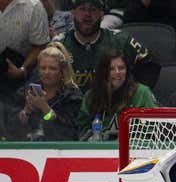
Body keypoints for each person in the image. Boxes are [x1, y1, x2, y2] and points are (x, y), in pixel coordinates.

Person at [53, 0, 160, 93]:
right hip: (72, 112)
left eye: (93, 10)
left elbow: (151, 65)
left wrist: (133, 93)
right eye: (82, 9)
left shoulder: (120, 40)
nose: (87, 15)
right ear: (73, 13)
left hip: (112, 110)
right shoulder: (59, 44)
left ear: (102, 14)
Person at [77, 48, 157, 140]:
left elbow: (153, 128)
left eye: (121, 68)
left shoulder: (142, 93)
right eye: (111, 69)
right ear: (103, 72)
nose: (117, 72)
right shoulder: (91, 96)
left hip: (133, 151)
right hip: (98, 152)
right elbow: (82, 129)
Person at [11, 42, 82, 141]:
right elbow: (12, 129)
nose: (47, 72)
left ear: (62, 71)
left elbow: (69, 133)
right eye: (43, 68)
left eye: (52, 68)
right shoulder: (26, 92)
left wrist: (45, 108)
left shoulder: (72, 95)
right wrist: (27, 111)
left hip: (59, 150)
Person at [0, 0, 50, 139]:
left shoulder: (33, 6)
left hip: (23, 73)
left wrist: (22, 69)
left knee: (17, 122)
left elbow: (40, 46)